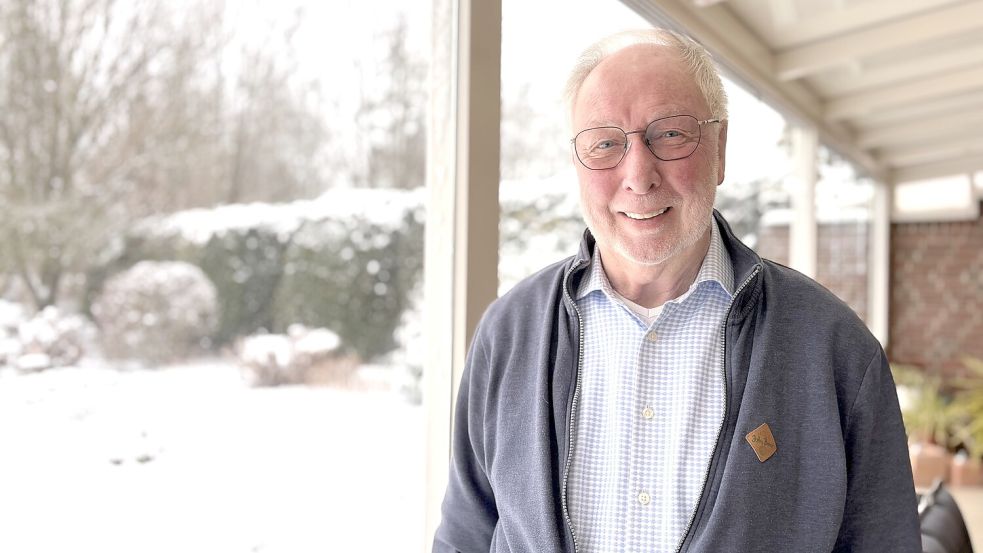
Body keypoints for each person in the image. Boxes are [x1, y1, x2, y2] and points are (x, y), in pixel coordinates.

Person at [433, 28, 920, 553]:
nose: (638, 175)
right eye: (605, 143)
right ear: (576, 161)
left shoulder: (833, 347)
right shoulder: (510, 333)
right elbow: (465, 536)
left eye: (669, 134)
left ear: (720, 150)